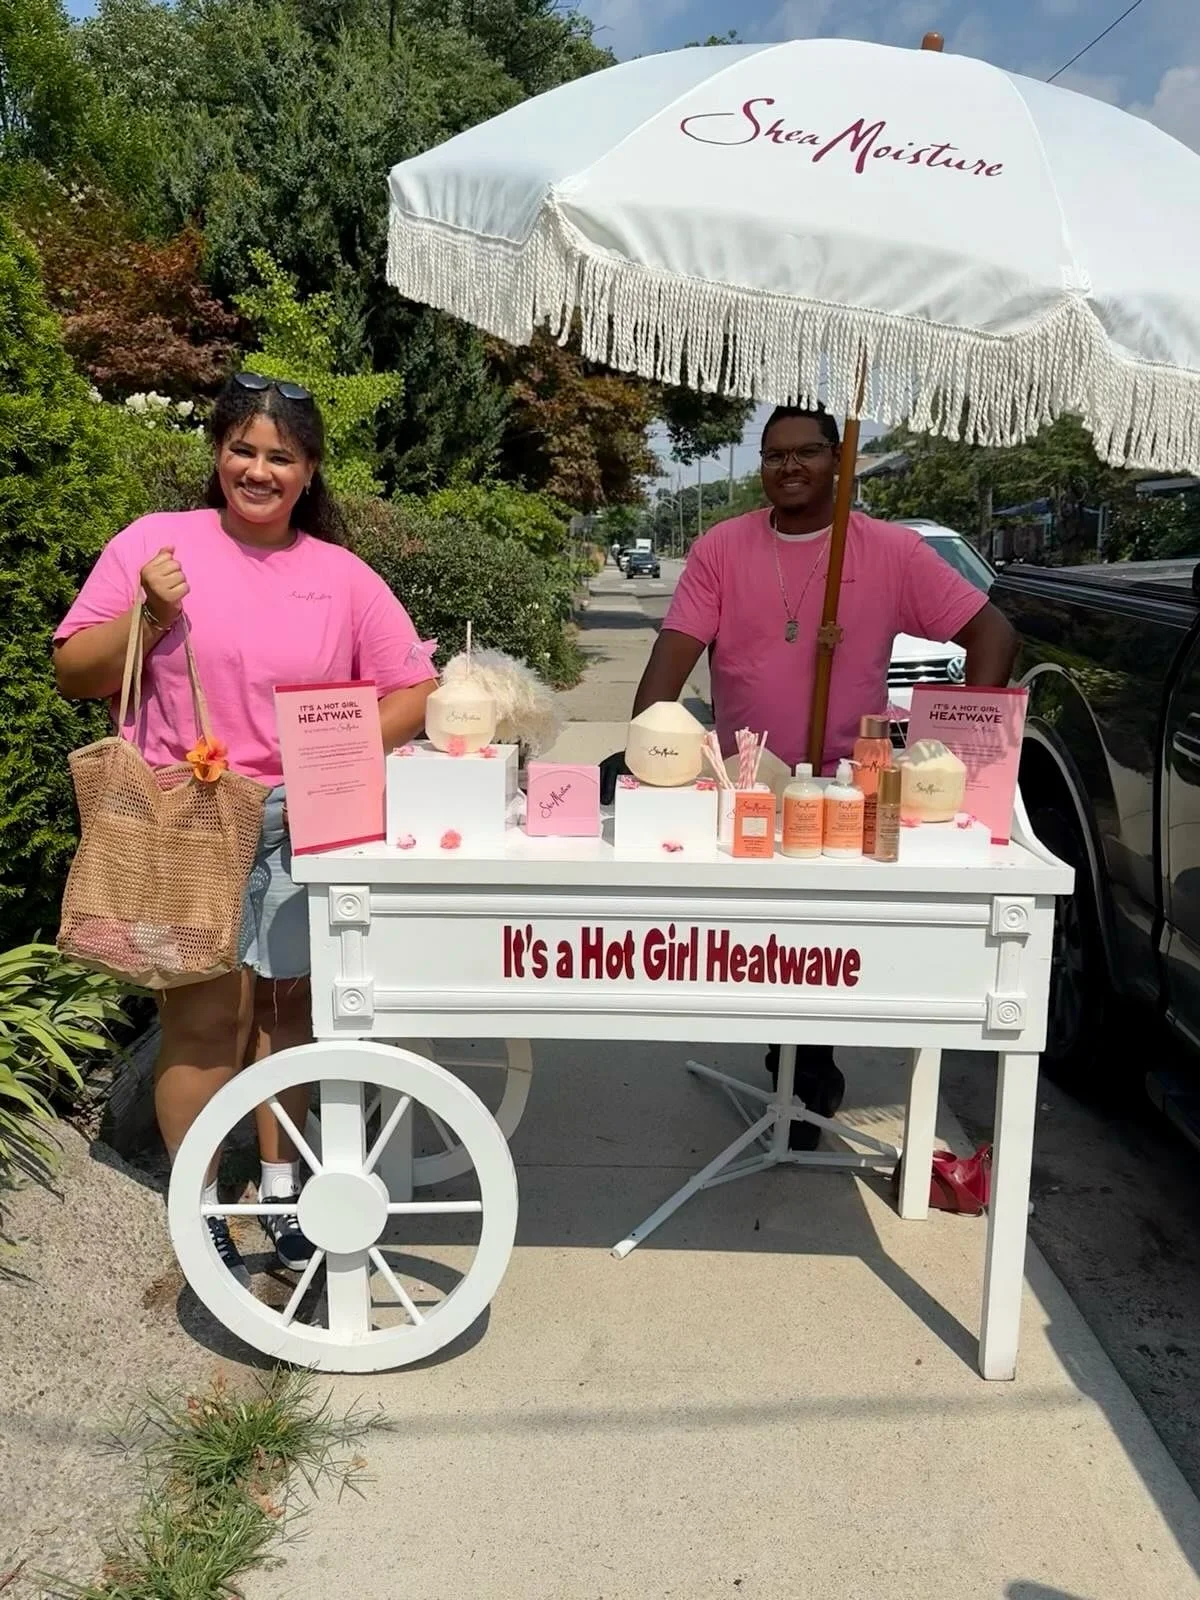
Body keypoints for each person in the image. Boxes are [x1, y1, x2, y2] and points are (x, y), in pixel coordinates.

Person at [54, 372, 437, 1284]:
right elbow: (75, 671)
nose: (258, 470)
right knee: (203, 1020)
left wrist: (328, 760)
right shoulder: (155, 545)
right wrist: (149, 611)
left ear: (309, 472)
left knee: (290, 1016)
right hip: (184, 816)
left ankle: (282, 1191)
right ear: (218, 452)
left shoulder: (341, 576)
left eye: (281, 456)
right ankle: (202, 1204)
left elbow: (412, 690)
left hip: (302, 819)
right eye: (243, 450)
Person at [627, 404, 1017, 1146]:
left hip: (849, 793)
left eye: (807, 451)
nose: (789, 466)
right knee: (759, 944)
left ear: (841, 461)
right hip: (747, 783)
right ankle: (791, 1057)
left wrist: (960, 756)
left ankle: (806, 1062)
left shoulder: (892, 553)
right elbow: (666, 675)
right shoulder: (721, 548)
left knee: (829, 947)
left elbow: (993, 634)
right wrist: (652, 746)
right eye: (774, 454)